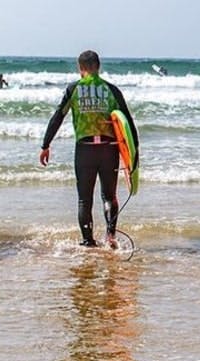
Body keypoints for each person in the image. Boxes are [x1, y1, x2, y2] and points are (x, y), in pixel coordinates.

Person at [39, 50, 139, 248]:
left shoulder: (74, 89)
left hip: (85, 150)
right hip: (108, 149)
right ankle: (110, 237)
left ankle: (88, 241)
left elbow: (58, 116)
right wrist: (134, 155)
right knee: (109, 196)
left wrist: (45, 144)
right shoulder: (111, 90)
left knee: (84, 199)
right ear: (98, 67)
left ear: (80, 68)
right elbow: (127, 122)